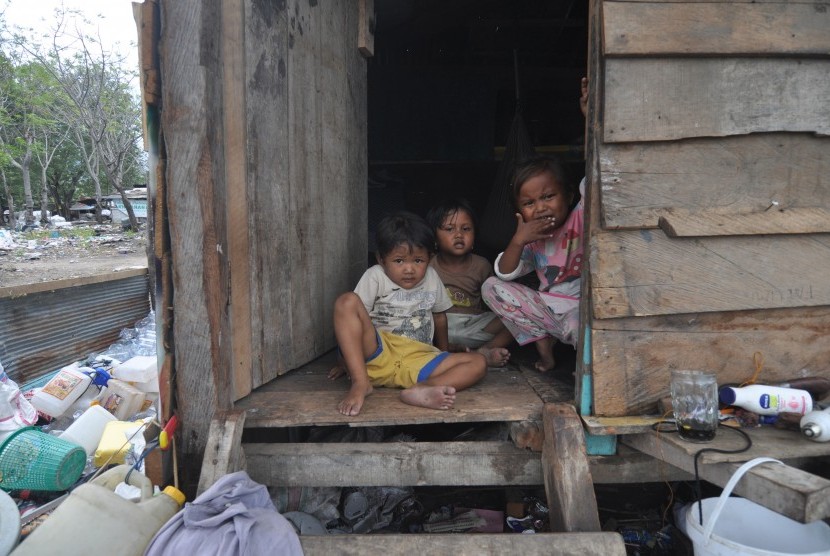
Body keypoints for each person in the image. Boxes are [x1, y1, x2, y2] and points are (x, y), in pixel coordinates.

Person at [329, 211, 487, 416]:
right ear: (381, 259)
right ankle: (361, 383)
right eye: (399, 261)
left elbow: (439, 317)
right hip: (379, 353)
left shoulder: (431, 277)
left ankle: (424, 388)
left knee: (478, 363)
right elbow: (352, 324)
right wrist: (347, 363)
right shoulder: (375, 276)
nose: (409, 269)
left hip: (419, 359)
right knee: (346, 301)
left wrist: (443, 353)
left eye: (418, 261)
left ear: (430, 259)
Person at [480, 155, 585, 372]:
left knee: (582, 328)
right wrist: (518, 240)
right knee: (491, 287)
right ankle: (542, 342)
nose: (540, 208)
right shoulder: (532, 242)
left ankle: (587, 368)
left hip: (580, 310)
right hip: (547, 311)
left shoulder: (581, 217)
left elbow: (596, 181)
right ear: (520, 212)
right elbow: (505, 273)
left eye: (548, 196)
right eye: (529, 203)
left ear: (569, 195)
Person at [425, 198, 513, 367]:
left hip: (473, 324)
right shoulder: (428, 265)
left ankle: (482, 352)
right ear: (434, 237)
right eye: (450, 229)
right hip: (439, 327)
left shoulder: (481, 265)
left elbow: (492, 303)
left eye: (466, 229)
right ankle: (450, 350)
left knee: (516, 319)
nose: (459, 234)